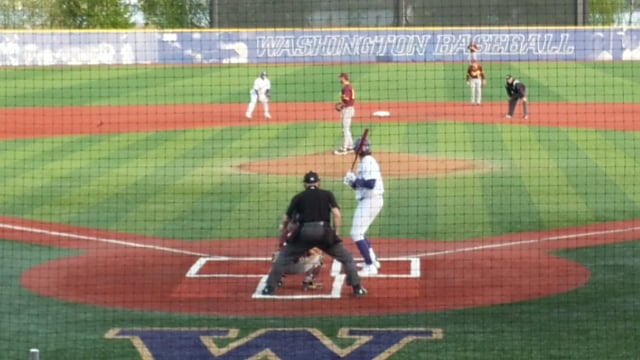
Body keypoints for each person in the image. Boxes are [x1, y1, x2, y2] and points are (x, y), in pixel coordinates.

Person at [261, 171, 367, 297]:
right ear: (318, 183)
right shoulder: (327, 194)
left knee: (283, 258)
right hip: (324, 232)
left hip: (304, 233)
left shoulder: (298, 197)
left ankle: (269, 288)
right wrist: (336, 233)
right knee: (347, 258)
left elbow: (286, 219)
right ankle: (357, 288)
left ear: (305, 184)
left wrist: (284, 230)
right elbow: (337, 214)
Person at [343, 137, 384, 276]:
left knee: (356, 233)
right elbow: (360, 186)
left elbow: (371, 183)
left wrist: (355, 179)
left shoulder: (368, 162)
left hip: (371, 200)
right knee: (360, 231)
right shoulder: (364, 162)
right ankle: (372, 260)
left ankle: (370, 266)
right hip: (369, 200)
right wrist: (351, 182)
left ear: (357, 150)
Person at [272, 222, 324, 290]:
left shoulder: (284, 235)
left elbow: (283, 247)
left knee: (276, 255)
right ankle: (308, 282)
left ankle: (279, 279)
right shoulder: (303, 235)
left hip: (282, 266)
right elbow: (309, 251)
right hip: (298, 267)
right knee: (319, 257)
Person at [334, 72, 355, 155]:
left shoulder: (346, 88)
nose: (339, 79)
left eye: (340, 78)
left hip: (347, 110)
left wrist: (342, 99)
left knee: (345, 129)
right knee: (347, 129)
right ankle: (350, 147)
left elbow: (347, 98)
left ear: (343, 78)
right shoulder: (350, 86)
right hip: (349, 109)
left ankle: (344, 149)